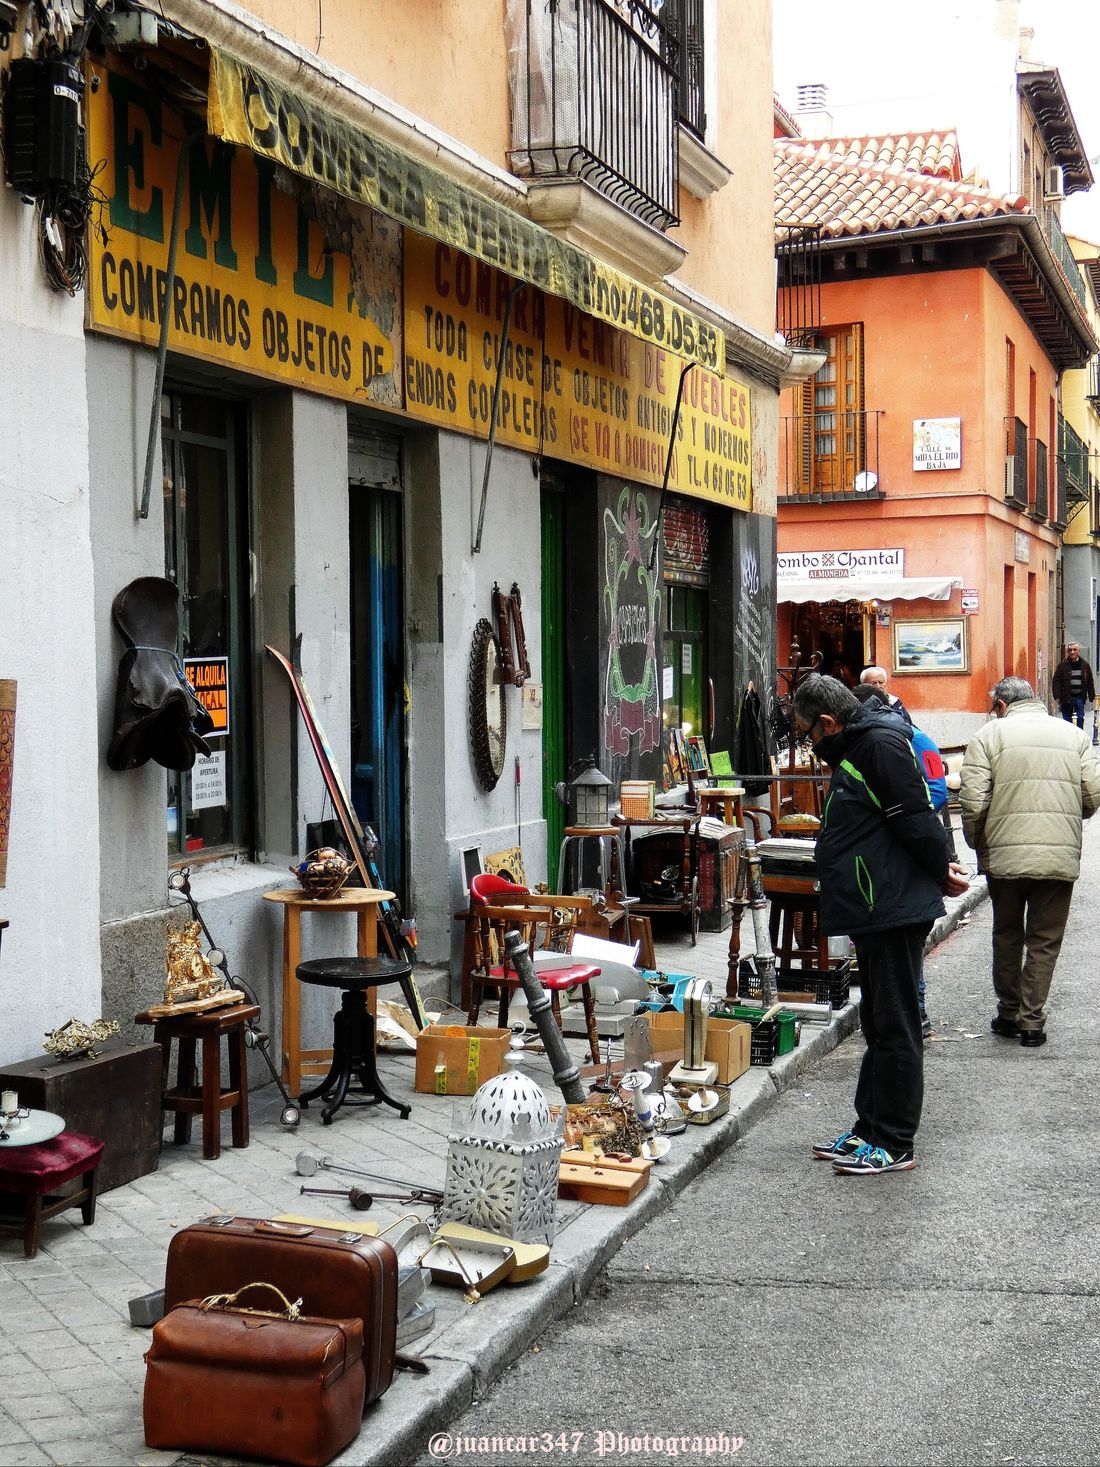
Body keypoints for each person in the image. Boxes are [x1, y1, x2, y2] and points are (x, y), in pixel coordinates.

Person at [793, 674, 967, 1175]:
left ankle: (894, 1141)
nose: (809, 743)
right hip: (877, 905)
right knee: (877, 1022)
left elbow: (914, 816)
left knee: (895, 1025)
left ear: (828, 722)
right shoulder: (862, 744)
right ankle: (868, 1129)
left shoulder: (878, 744)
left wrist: (941, 870)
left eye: (808, 733)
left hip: (890, 905)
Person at [959, 676, 1100, 1047]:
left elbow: (973, 802)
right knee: (1044, 940)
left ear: (1001, 705)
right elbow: (1092, 794)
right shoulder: (1074, 735)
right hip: (1058, 854)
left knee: (1007, 934)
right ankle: (1032, 1022)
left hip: (1003, 855)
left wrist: (978, 842)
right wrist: (1068, 818)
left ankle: (1009, 1013)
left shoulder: (988, 736)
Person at [851, 684, 948, 1040]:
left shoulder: (917, 740)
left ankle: (917, 1010)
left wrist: (908, 817)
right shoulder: (865, 743)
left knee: (907, 940)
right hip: (885, 855)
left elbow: (937, 788)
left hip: (911, 845)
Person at [1050, 642, 1096, 730]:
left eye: (1074, 650)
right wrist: (1057, 696)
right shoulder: (1062, 665)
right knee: (1067, 721)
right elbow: (1056, 681)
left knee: (1079, 718)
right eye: (1070, 650)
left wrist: (1092, 697)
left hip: (1079, 697)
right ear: (1067, 652)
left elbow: (1090, 681)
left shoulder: (1084, 665)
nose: (1072, 652)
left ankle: (1079, 735)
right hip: (1066, 697)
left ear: (1078, 651)